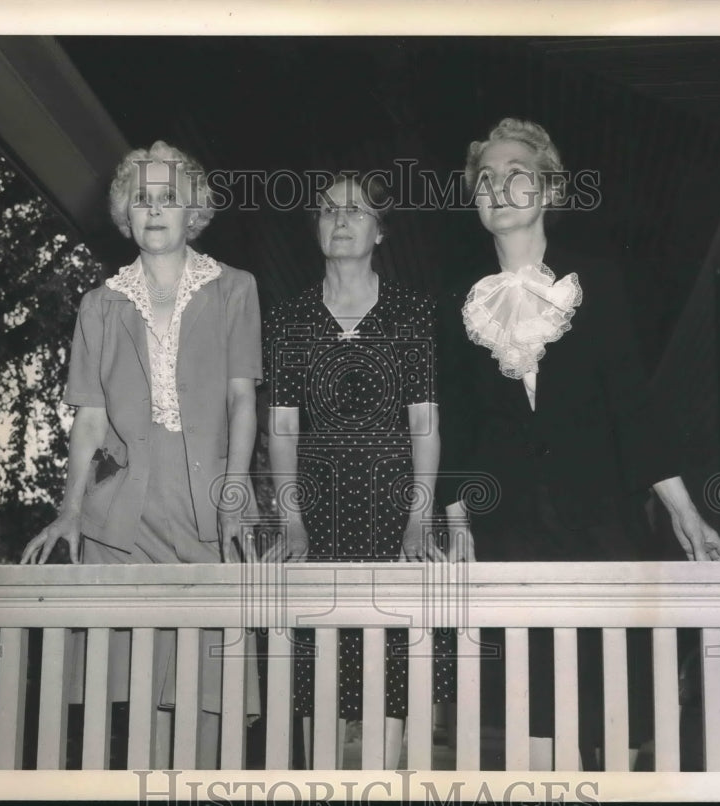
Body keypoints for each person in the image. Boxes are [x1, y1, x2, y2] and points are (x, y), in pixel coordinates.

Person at [438, 119, 720, 769]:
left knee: (614, 708)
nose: (498, 188)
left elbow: (633, 408)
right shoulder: (458, 302)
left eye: (516, 174)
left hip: (600, 526)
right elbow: (454, 422)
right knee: (532, 719)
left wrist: (685, 513)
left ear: (548, 189)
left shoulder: (597, 281)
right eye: (485, 179)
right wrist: (456, 518)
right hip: (509, 535)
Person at [20, 140, 262, 768]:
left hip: (212, 512)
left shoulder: (234, 289)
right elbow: (90, 420)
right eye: (142, 198)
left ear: (193, 212)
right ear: (126, 213)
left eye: (169, 197)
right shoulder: (100, 304)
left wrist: (235, 493)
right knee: (134, 703)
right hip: (125, 521)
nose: (154, 209)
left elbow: (242, 401)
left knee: (210, 700)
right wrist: (71, 510)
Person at [262, 172, 449, 769]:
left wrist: (420, 518)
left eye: (355, 211)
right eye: (327, 210)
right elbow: (282, 428)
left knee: (391, 665)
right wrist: (292, 522)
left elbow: (424, 422)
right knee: (317, 664)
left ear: (380, 231)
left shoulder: (410, 312)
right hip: (317, 513)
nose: (339, 220)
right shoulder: (290, 318)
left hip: (393, 510)